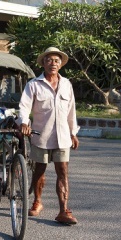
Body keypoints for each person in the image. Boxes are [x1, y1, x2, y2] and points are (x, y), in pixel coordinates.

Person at [18, 47, 80, 225]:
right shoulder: (34, 85)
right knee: (40, 170)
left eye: (56, 61)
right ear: (43, 63)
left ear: (60, 64)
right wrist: (24, 122)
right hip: (41, 135)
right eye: (49, 60)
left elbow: (71, 111)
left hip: (63, 137)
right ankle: (37, 201)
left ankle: (63, 210)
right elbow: (24, 106)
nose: (53, 63)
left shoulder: (67, 84)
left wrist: (73, 133)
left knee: (63, 172)